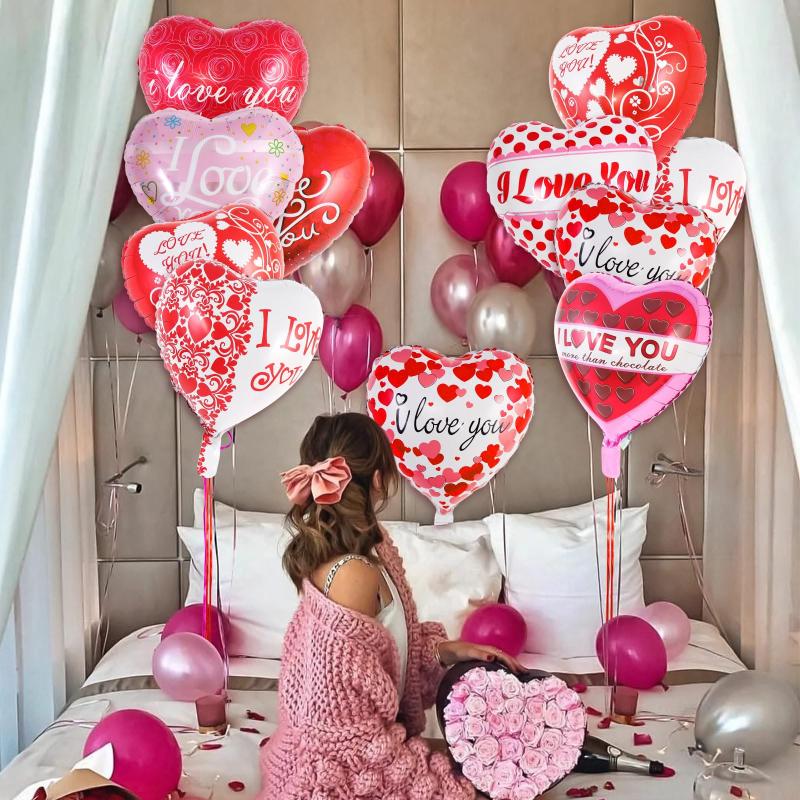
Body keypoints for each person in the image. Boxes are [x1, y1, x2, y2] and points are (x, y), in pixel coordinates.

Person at [260, 413, 521, 800]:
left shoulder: (372, 552)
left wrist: (448, 651)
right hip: (331, 770)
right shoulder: (352, 573)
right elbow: (341, 724)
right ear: (379, 479)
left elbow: (384, 659)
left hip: (360, 744)